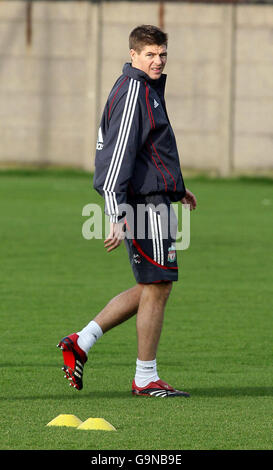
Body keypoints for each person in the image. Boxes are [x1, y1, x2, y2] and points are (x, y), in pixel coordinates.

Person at [58, 25, 197, 398]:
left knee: (155, 284)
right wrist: (115, 215)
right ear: (133, 55)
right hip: (143, 205)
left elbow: (149, 151)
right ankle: (145, 377)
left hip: (155, 198)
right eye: (150, 54)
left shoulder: (145, 88)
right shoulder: (135, 90)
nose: (158, 60)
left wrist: (177, 188)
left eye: (162, 53)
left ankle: (81, 342)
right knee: (157, 285)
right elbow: (115, 158)